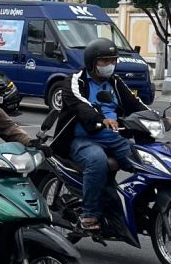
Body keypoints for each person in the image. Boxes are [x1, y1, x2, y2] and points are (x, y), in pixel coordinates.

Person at [47, 37, 147, 232]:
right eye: (104, 61)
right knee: (97, 160)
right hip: (81, 139)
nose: (110, 65)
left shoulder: (116, 83)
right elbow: (81, 105)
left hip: (113, 137)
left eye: (113, 60)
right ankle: (89, 215)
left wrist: (158, 119)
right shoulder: (75, 81)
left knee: (144, 162)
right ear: (92, 63)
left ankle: (136, 207)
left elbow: (136, 105)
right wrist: (102, 119)